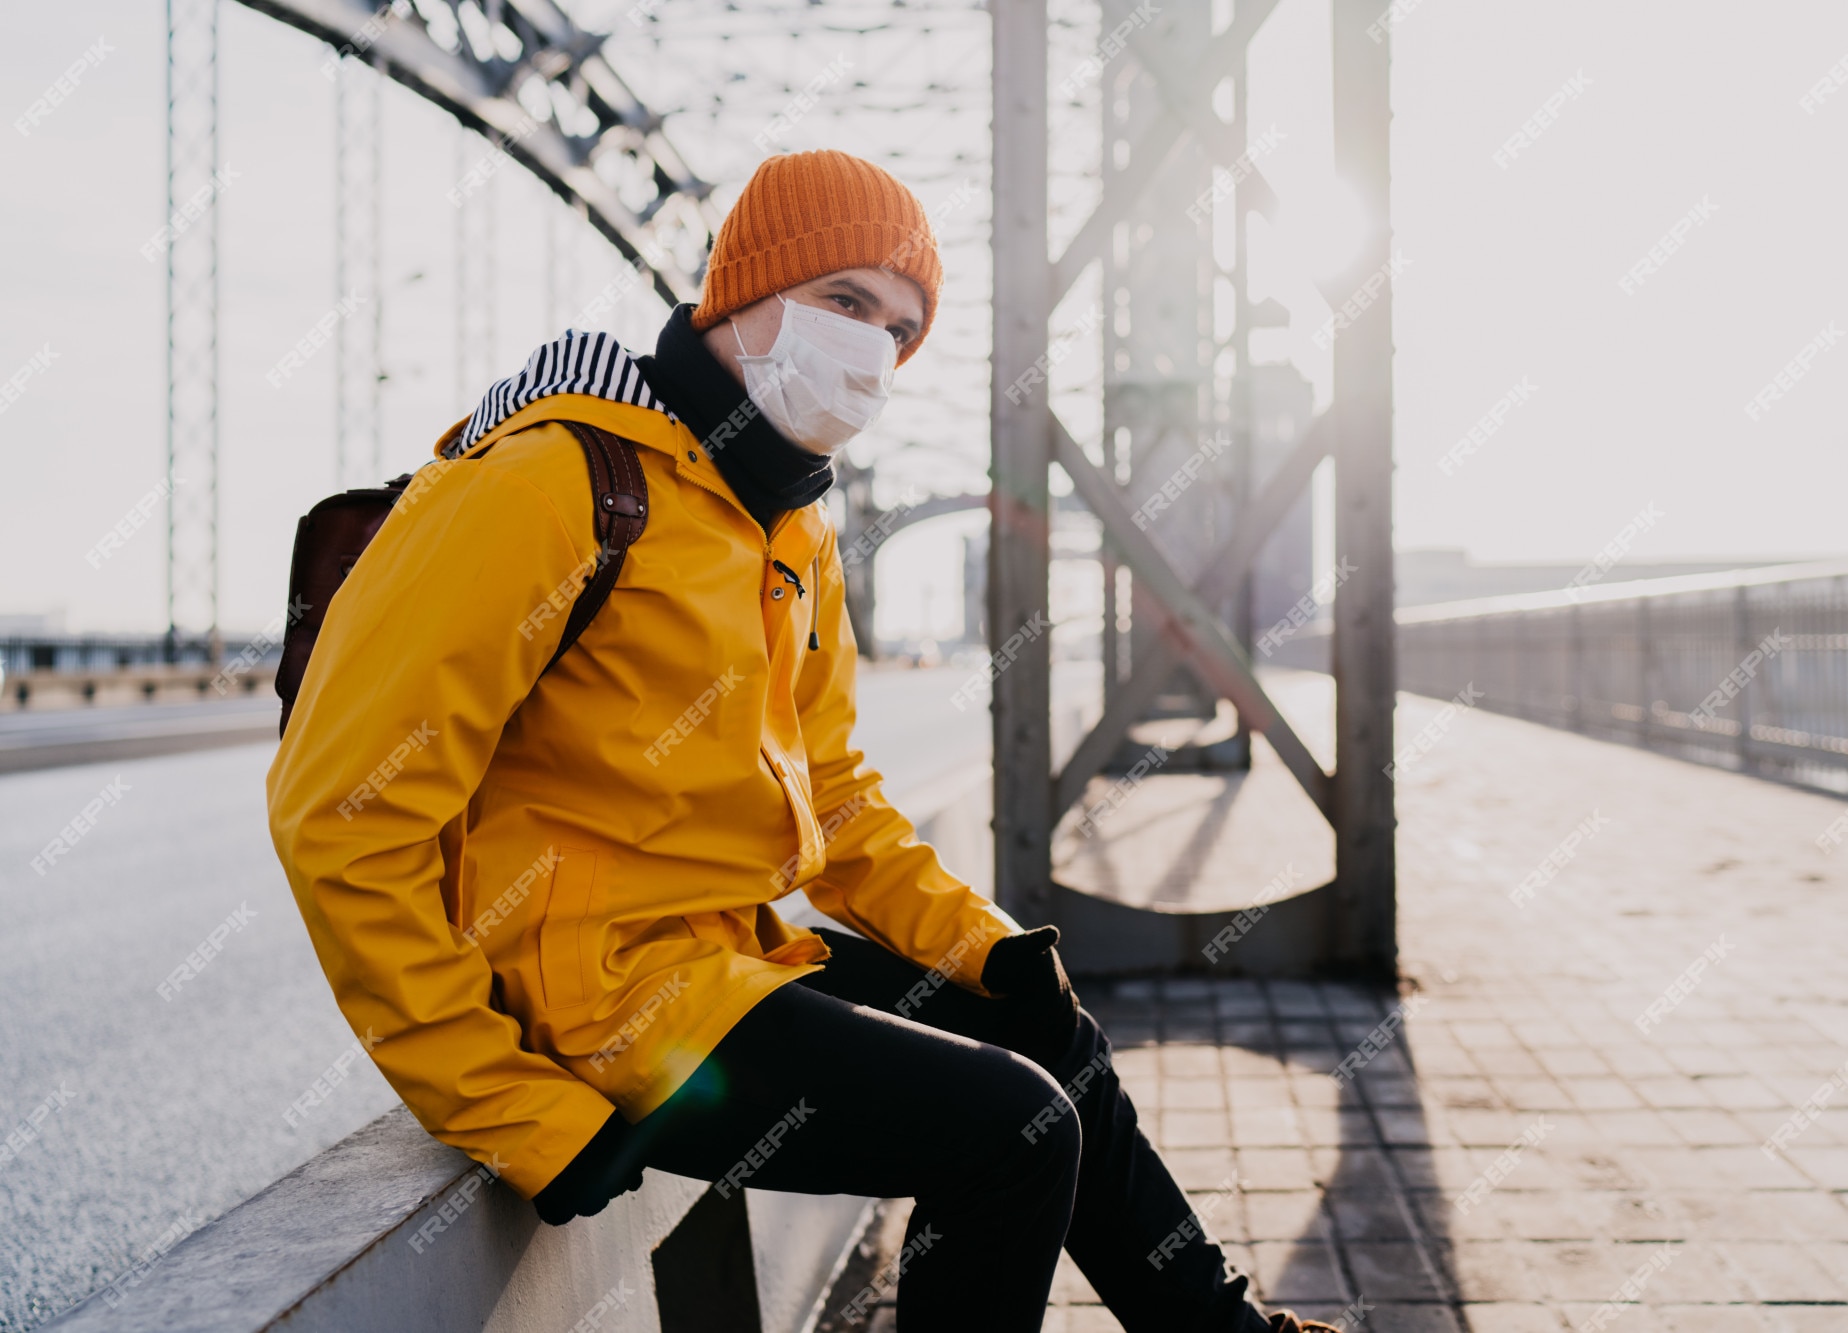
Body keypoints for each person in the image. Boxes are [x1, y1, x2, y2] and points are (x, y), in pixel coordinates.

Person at [267, 149, 1337, 1333]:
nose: (870, 347)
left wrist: (980, 949)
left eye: (899, 326)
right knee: (1011, 1134)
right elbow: (342, 814)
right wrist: (510, 1105)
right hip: (594, 999)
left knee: (1051, 1041)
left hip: (729, 957)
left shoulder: (789, 526)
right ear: (739, 291)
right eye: (843, 300)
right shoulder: (547, 480)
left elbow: (827, 794)